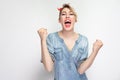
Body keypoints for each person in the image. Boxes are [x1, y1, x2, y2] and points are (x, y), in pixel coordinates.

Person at [37, 3, 103, 80]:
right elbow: (49, 68)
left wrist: (95, 51)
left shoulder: (83, 40)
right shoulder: (52, 38)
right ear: (59, 20)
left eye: (71, 14)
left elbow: (81, 70)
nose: (67, 16)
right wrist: (43, 40)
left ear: (75, 20)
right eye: (63, 14)